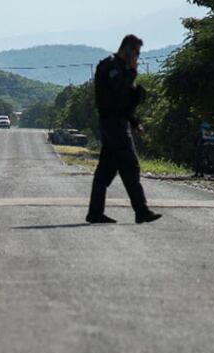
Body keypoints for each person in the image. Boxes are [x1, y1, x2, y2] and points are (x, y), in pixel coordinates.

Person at [86, 35, 161, 225]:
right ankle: (141, 210)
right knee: (130, 166)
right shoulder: (111, 67)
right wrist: (132, 72)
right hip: (113, 124)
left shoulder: (122, 69)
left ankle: (95, 212)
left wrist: (134, 121)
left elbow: (125, 102)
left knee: (105, 171)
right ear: (127, 50)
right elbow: (119, 94)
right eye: (136, 53)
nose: (137, 57)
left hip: (117, 122)